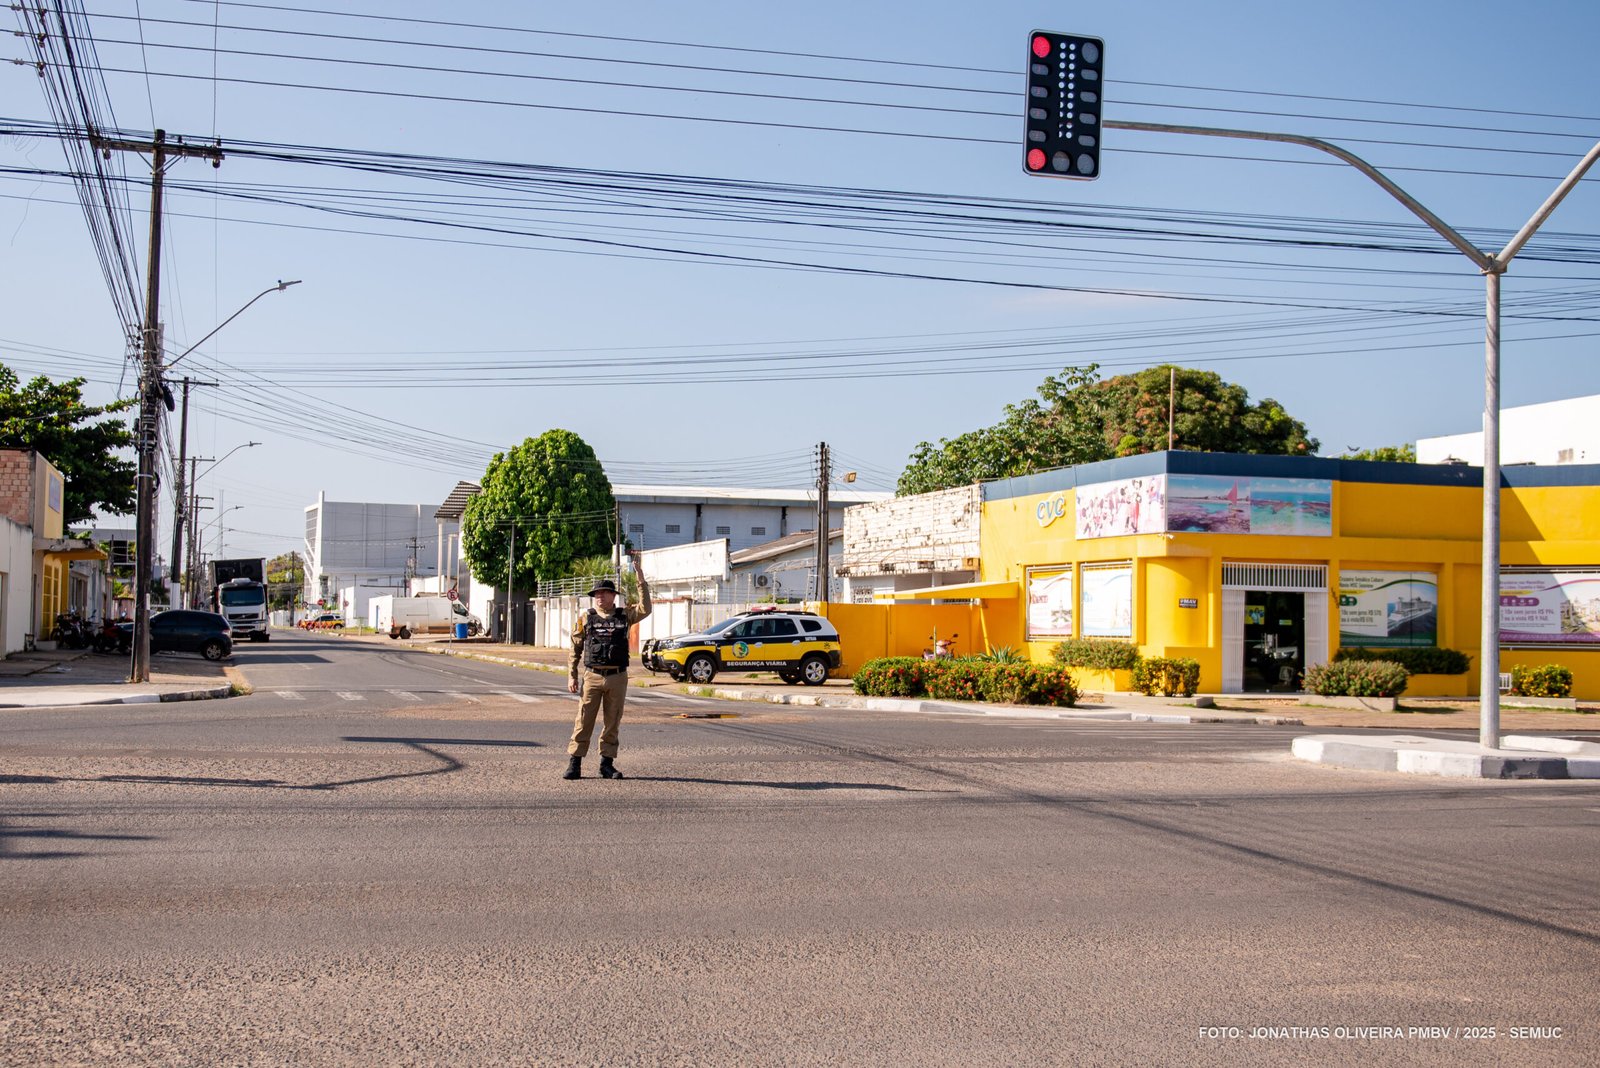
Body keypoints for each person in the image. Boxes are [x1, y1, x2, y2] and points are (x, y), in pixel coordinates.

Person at [564, 555, 652, 781]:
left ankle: (606, 764)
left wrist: (640, 578)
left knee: (612, 722)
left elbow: (646, 608)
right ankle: (575, 763)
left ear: (613, 596)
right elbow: (575, 648)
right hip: (592, 676)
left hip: (617, 677)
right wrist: (572, 675)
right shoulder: (586, 618)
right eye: (596, 594)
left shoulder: (624, 615)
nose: (599, 597)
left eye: (603, 593)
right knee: (583, 721)